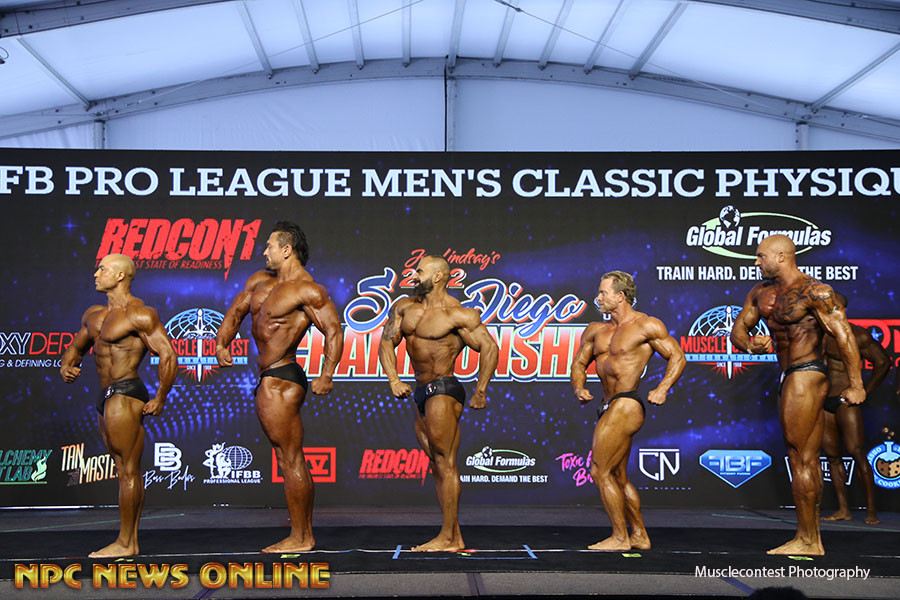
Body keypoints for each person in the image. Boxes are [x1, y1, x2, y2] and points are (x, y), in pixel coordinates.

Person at [731, 234, 865, 555]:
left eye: (761, 256)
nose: (756, 262)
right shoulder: (760, 292)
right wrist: (750, 345)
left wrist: (856, 384)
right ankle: (809, 537)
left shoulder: (815, 291)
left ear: (781, 257)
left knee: (802, 456)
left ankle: (808, 540)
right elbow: (738, 331)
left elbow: (844, 335)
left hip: (807, 372)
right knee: (801, 456)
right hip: (788, 375)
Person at [216, 221, 343, 553]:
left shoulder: (307, 290)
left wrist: (326, 374)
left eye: (270, 246)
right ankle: (301, 535)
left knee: (290, 459)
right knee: (286, 458)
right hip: (268, 378)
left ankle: (302, 537)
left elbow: (333, 330)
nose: (264, 252)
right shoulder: (260, 282)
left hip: (282, 376)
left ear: (287, 250)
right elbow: (236, 312)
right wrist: (221, 343)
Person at [60, 253, 177, 558]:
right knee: (122, 469)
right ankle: (128, 542)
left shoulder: (140, 314)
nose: (96, 274)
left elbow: (168, 354)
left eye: (103, 269)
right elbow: (75, 349)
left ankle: (126, 543)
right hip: (105, 396)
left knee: (128, 470)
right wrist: (67, 366)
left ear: (121, 276)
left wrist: (160, 397)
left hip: (126, 393)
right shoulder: (94, 315)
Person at [379, 255, 499, 552]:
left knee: (446, 462)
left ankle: (448, 537)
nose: (413, 275)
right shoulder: (404, 307)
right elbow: (386, 341)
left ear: (437, 277)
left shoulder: (458, 314)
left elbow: (489, 346)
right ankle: (452, 536)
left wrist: (480, 390)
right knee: (436, 463)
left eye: (419, 271)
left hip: (444, 388)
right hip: (420, 391)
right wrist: (394, 379)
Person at [570, 270, 685, 551]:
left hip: (627, 402)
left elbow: (677, 356)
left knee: (599, 471)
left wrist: (662, 388)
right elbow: (579, 363)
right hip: (607, 405)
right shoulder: (595, 330)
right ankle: (639, 535)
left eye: (603, 293)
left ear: (620, 296)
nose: (598, 298)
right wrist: (579, 387)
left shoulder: (646, 325)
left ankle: (619, 537)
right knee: (618, 477)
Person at [821, 292, 890, 524]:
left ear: (840, 309)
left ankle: (871, 511)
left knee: (857, 452)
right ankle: (843, 509)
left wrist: (864, 391)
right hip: (823, 401)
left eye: (828, 307)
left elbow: (883, 362)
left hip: (845, 399)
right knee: (832, 456)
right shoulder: (818, 335)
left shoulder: (857, 335)